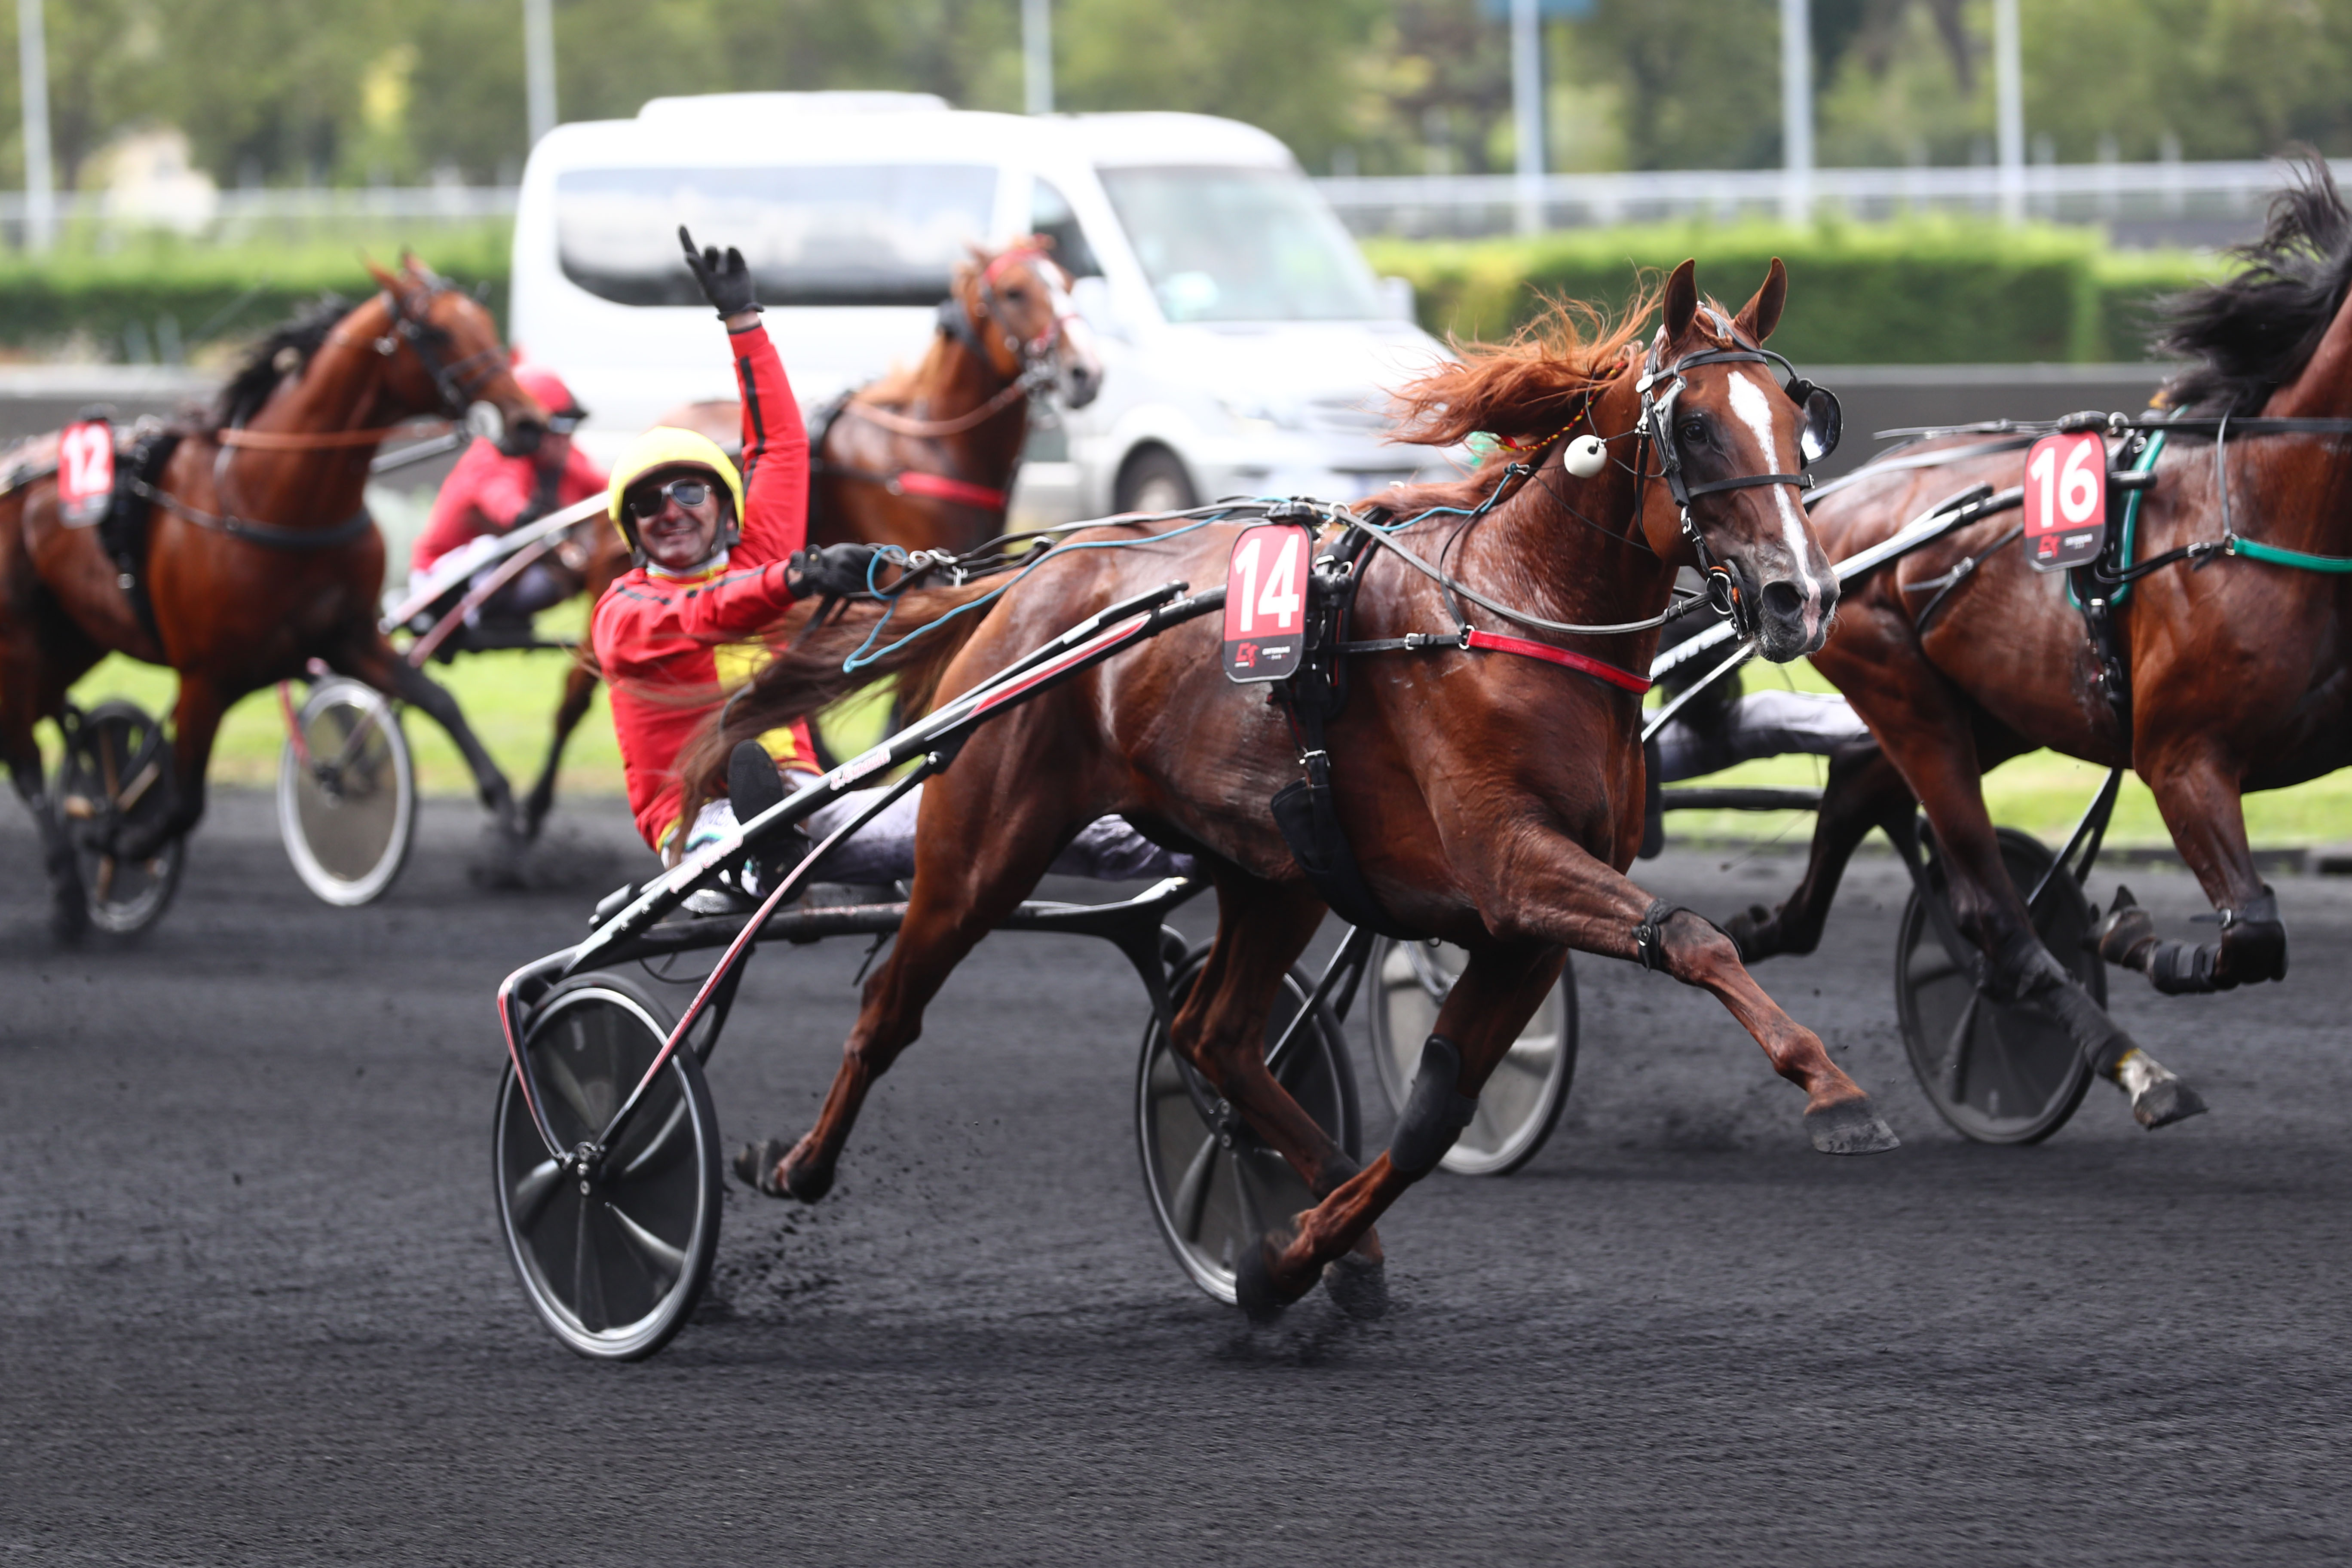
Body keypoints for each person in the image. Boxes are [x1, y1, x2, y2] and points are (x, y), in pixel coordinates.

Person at [591, 228, 1189, 902]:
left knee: (1011, 810)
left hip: (807, 807)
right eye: (647, 503)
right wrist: (796, 576)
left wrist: (744, 323)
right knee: (736, 846)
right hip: (700, 823)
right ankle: (749, 864)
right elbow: (707, 612)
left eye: (689, 491)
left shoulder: (754, 555)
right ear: (632, 531)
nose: (669, 510)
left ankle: (1186, 841)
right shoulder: (625, 612)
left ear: (725, 508)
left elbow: (780, 446)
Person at [407, 362, 606, 624]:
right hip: (444, 576)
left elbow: (607, 489)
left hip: (504, 578)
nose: (565, 441)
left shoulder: (566, 462)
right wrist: (525, 514)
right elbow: (500, 496)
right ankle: (460, 618)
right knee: (491, 548)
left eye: (570, 431)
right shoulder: (495, 454)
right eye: (557, 431)